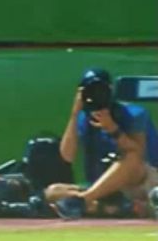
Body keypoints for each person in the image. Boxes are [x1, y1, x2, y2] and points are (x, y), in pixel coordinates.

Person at [48, 69, 158, 219]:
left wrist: (111, 127)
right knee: (53, 192)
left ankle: (84, 201)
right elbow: (67, 156)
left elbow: (137, 156)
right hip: (103, 186)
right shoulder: (83, 118)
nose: (96, 94)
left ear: (111, 90)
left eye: (101, 89)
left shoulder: (134, 114)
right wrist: (74, 114)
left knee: (130, 156)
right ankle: (117, 208)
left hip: (141, 182)